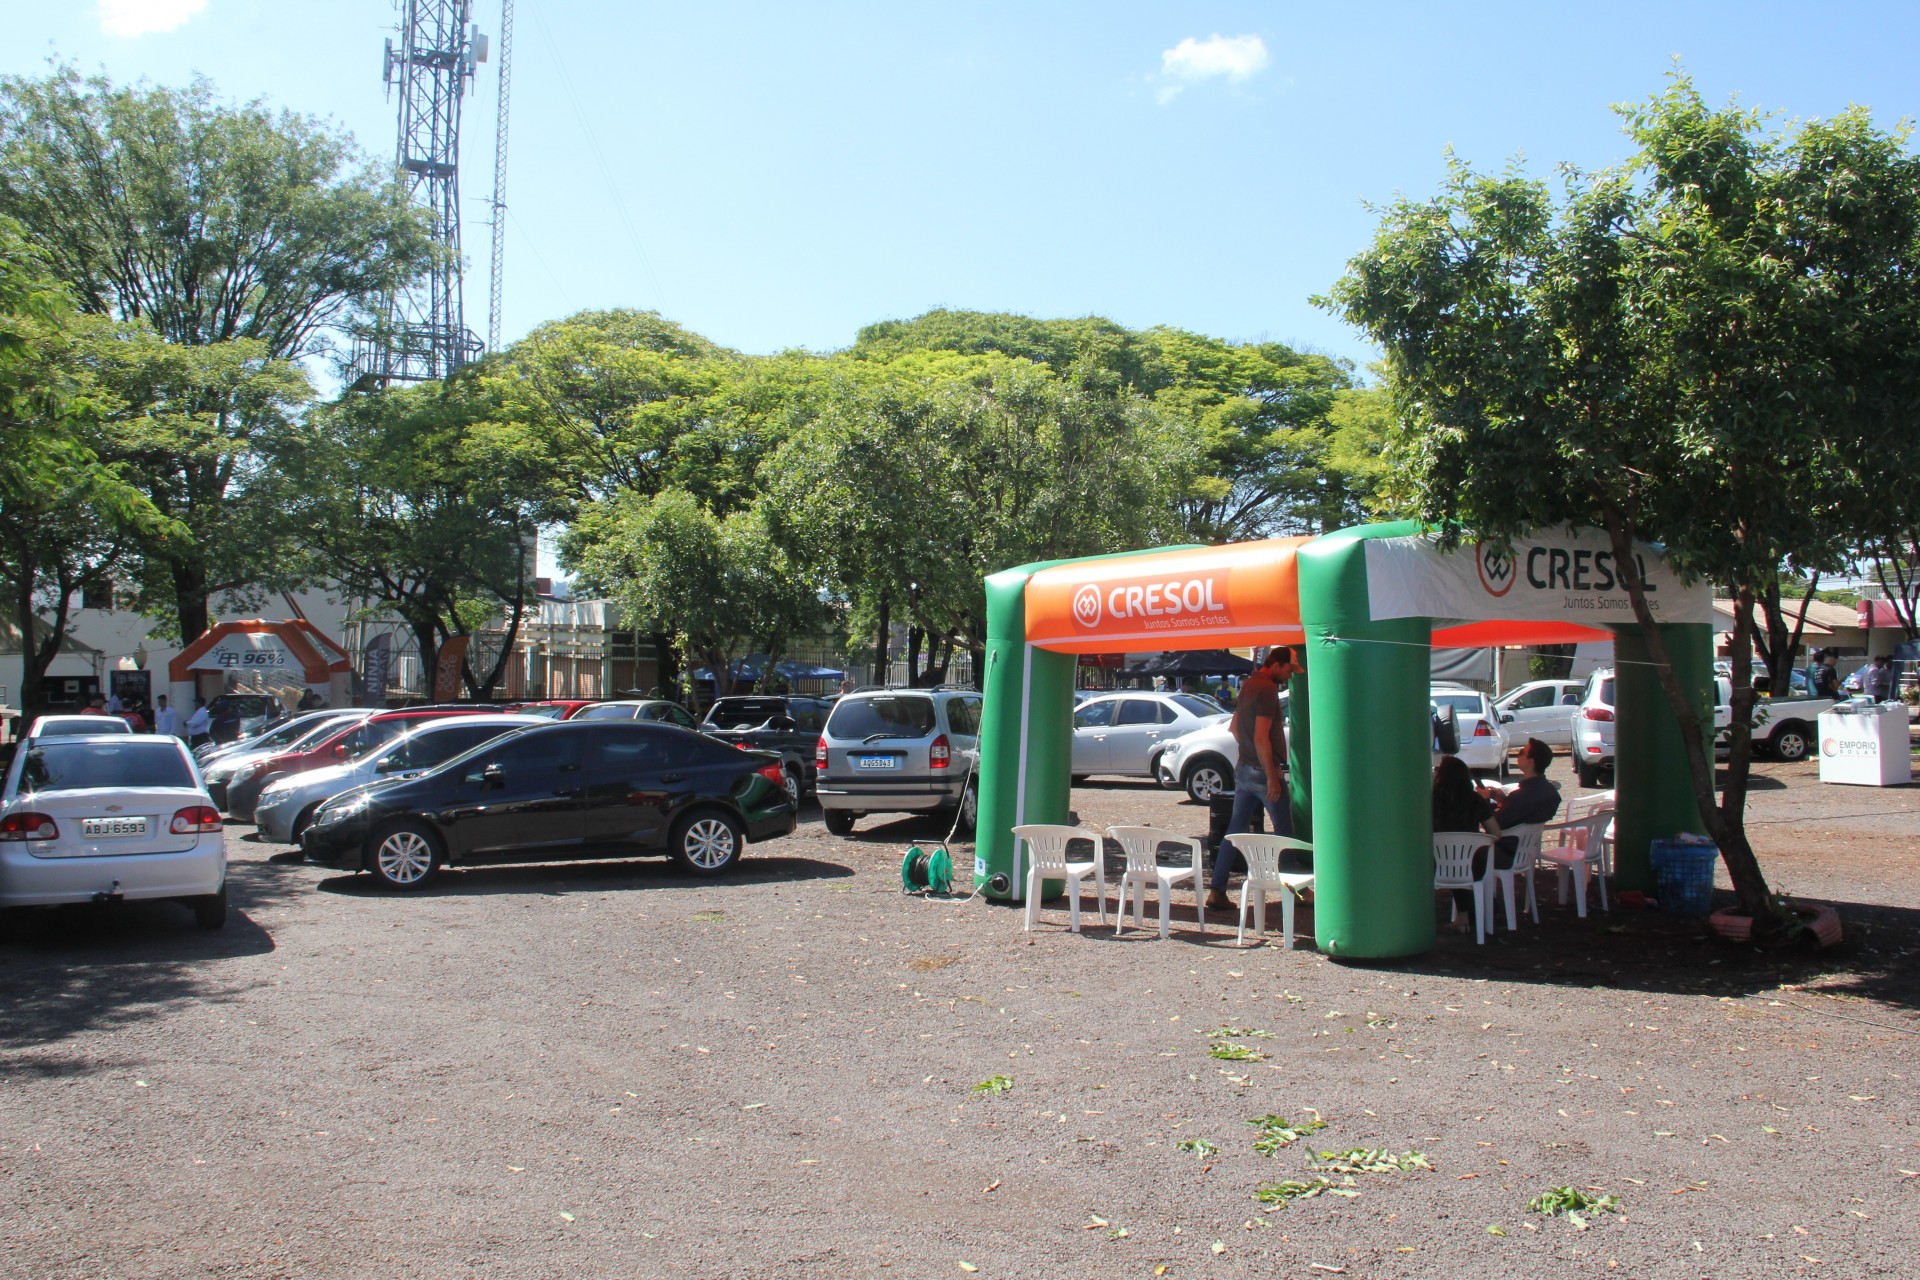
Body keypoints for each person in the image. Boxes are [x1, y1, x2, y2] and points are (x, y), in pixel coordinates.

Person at [1206, 644, 1302, 909]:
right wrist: (1271, 775)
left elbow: (1235, 728)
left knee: (1234, 830)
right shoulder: (1268, 690)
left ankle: (1217, 890)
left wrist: (1248, 757)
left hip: (1244, 769)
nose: (1291, 676)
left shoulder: (1248, 685)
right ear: (1277, 665)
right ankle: (1298, 892)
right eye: (1289, 670)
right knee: (1284, 832)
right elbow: (1261, 737)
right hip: (1262, 770)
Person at [1432, 754, 1502, 917]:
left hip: (1436, 863)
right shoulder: (1475, 800)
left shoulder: (1431, 801)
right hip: (1471, 863)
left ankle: (1463, 914)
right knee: (1466, 859)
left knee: (1451, 858)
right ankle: (1472, 911)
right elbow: (1496, 833)